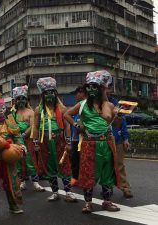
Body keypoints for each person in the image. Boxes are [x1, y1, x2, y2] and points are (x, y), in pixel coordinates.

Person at [64, 70, 121, 213]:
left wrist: (117, 115)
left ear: (101, 89)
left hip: (107, 143)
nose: (90, 89)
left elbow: (116, 125)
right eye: (88, 87)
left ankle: (107, 201)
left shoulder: (108, 105)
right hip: (89, 143)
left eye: (94, 86)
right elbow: (67, 114)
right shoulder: (82, 104)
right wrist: (78, 126)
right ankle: (88, 203)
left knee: (107, 173)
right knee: (88, 172)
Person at [33, 77, 77, 203]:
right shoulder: (38, 110)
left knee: (64, 165)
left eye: (52, 92)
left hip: (59, 141)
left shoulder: (62, 109)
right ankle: (55, 192)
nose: (50, 95)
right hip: (44, 142)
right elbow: (35, 128)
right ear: (43, 95)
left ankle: (68, 192)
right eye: (47, 93)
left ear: (55, 94)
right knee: (50, 168)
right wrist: (35, 143)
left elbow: (67, 126)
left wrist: (68, 142)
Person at [11, 85, 44, 192]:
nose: (21, 101)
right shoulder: (11, 112)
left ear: (26, 100)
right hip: (16, 141)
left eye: (23, 98)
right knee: (18, 161)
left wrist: (24, 134)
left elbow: (33, 125)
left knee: (30, 160)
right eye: (18, 98)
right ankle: (22, 181)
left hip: (27, 139)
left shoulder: (30, 112)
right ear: (15, 100)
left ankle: (35, 182)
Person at [107, 84, 133, 198]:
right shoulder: (94, 104)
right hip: (101, 140)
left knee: (119, 165)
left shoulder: (117, 104)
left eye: (109, 88)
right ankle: (107, 187)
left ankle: (125, 188)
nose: (107, 90)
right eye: (105, 88)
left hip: (116, 140)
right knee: (106, 165)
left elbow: (122, 122)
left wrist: (125, 138)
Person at [69, 86, 86, 186]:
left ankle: (83, 178)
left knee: (85, 160)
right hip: (75, 138)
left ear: (82, 93)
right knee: (75, 159)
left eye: (76, 93)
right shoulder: (77, 106)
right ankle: (75, 177)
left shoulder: (88, 105)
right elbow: (67, 115)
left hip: (86, 138)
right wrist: (76, 124)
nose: (75, 96)